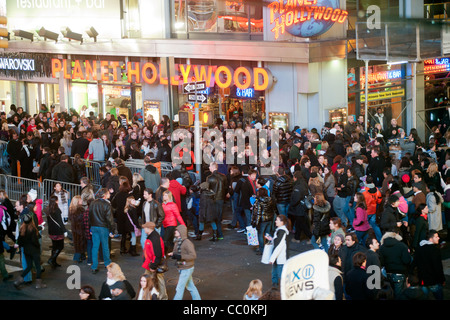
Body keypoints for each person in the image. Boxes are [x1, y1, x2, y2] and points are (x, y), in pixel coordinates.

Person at [14, 212, 46, 289]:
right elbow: (35, 241)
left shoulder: (22, 229)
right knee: (38, 267)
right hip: (34, 251)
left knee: (29, 266)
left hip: (26, 251)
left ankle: (18, 281)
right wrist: (38, 248)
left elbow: (20, 241)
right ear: (31, 221)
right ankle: (38, 284)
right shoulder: (33, 229)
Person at [168, 224, 201, 300]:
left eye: (177, 230)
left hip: (186, 268)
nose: (175, 231)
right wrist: (173, 255)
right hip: (183, 267)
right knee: (190, 286)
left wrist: (180, 257)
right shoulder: (177, 241)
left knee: (179, 288)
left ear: (181, 232)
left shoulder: (186, 242)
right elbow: (177, 253)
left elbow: (193, 255)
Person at [411, 230, 445, 300]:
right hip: (434, 281)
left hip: (422, 281)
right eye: (436, 237)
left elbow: (414, 264)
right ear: (431, 238)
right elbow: (438, 267)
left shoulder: (419, 249)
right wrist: (442, 280)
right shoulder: (435, 250)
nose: (438, 238)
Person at [379, 227, 411, 298]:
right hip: (399, 274)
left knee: (390, 295)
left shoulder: (382, 247)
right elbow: (407, 261)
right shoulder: (402, 246)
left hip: (387, 274)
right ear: (397, 235)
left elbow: (382, 262)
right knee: (399, 296)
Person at [89, 188, 115, 274]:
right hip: (103, 227)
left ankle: (94, 266)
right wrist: (112, 230)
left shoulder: (92, 203)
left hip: (94, 226)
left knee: (95, 247)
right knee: (105, 246)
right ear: (104, 195)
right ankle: (107, 264)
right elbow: (110, 219)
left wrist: (90, 227)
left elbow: (90, 216)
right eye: (108, 194)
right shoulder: (107, 205)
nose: (109, 195)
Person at [141, 221, 168, 300]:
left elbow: (158, 254)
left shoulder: (154, 238)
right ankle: (159, 297)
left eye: (145, 228)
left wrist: (153, 266)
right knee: (156, 280)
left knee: (154, 280)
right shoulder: (153, 236)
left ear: (149, 228)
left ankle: (161, 297)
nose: (144, 229)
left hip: (153, 264)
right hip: (152, 263)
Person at [266, 214, 291, 288]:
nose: (275, 221)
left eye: (277, 220)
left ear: (282, 222)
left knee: (279, 273)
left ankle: (281, 286)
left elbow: (279, 247)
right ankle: (277, 285)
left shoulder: (281, 232)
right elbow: (278, 242)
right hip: (279, 257)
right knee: (276, 271)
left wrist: (272, 259)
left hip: (280, 256)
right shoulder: (280, 231)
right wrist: (271, 239)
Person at [111, 177, 133, 255]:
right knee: (130, 232)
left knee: (123, 234)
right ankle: (131, 248)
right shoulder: (129, 196)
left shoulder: (118, 195)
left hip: (119, 215)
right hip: (127, 215)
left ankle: (122, 248)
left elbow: (113, 204)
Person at [288, 171, 311, 243]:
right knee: (298, 223)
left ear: (296, 178)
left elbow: (295, 199)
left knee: (302, 224)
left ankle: (311, 237)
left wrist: (291, 203)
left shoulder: (298, 187)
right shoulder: (304, 183)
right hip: (303, 206)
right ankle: (297, 237)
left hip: (299, 208)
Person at [251, 188, 276, 255]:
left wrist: (255, 223)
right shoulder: (270, 200)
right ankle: (269, 249)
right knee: (267, 234)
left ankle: (261, 250)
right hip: (269, 219)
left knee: (260, 234)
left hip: (262, 220)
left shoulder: (259, 201)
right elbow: (273, 209)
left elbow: (258, 213)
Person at [46, 195, 67, 268]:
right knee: (60, 246)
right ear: (56, 201)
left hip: (51, 231)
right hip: (58, 231)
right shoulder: (56, 210)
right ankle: (52, 259)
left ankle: (54, 261)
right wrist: (64, 230)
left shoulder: (48, 209)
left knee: (54, 247)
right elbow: (60, 221)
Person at [69, 195, 87, 263]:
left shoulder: (71, 209)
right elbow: (83, 220)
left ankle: (82, 256)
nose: (82, 201)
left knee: (77, 243)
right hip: (81, 229)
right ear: (77, 201)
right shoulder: (80, 210)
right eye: (80, 200)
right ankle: (77, 258)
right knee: (80, 243)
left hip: (74, 229)